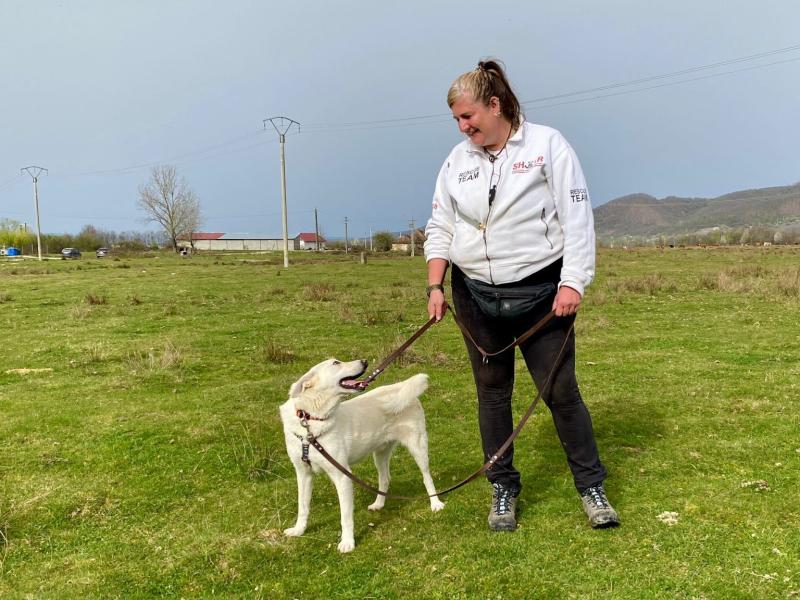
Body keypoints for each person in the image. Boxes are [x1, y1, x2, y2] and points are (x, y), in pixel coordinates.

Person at [423, 59, 619, 531]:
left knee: (560, 391)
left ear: (495, 105)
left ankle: (591, 487)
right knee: (492, 394)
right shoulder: (456, 161)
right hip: (474, 295)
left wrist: (573, 281)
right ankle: (502, 488)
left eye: (468, 116)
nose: (463, 127)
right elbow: (440, 226)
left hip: (541, 292)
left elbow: (577, 218)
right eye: (456, 119)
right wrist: (435, 285)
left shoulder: (548, 145)